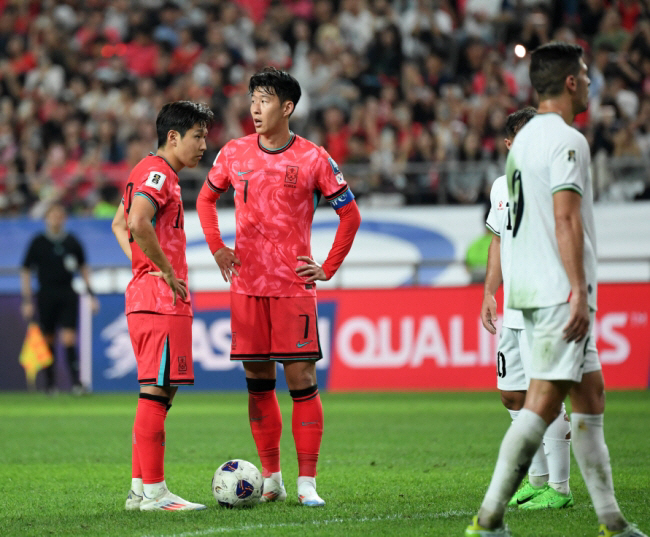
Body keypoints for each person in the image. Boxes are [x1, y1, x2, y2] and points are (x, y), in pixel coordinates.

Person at [466, 43, 646, 537]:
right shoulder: (567, 141)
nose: (589, 82)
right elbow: (565, 217)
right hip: (556, 295)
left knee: (591, 396)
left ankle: (612, 519)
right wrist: (575, 290)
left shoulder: (521, 146)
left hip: (534, 291)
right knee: (541, 403)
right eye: (585, 75)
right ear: (570, 82)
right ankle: (489, 518)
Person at [196, 67, 361, 507]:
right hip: (247, 287)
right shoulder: (232, 152)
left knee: (302, 379)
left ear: (287, 107)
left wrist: (327, 266)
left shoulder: (313, 158)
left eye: (265, 99)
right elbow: (206, 199)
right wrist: (217, 248)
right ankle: (272, 477)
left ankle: (307, 482)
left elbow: (351, 214)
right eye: (252, 98)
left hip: (292, 287)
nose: (254, 106)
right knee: (257, 381)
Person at [111, 100, 214, 511]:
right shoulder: (159, 173)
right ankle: (154, 491)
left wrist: (141, 263)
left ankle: (140, 490)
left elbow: (119, 224)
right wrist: (166, 272)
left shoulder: (147, 170)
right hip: (159, 302)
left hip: (147, 299)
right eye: (198, 136)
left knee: (158, 395)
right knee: (156, 393)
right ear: (173, 137)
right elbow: (136, 222)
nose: (205, 144)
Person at [481, 106, 574, 511]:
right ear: (509, 144)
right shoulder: (500, 187)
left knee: (547, 395)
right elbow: (498, 242)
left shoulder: (555, 183)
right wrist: (488, 292)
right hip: (514, 308)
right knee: (511, 394)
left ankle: (560, 487)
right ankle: (535, 479)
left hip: (545, 305)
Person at [20, 203, 98, 395]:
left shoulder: (72, 241)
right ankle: (50, 384)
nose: (56, 218)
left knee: (69, 338)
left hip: (67, 293)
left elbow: (84, 268)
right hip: (46, 294)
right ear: (46, 218)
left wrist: (91, 294)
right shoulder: (38, 242)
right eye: (52, 215)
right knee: (48, 338)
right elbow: (26, 270)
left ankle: (76, 383)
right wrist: (27, 300)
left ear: (64, 218)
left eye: (59, 215)